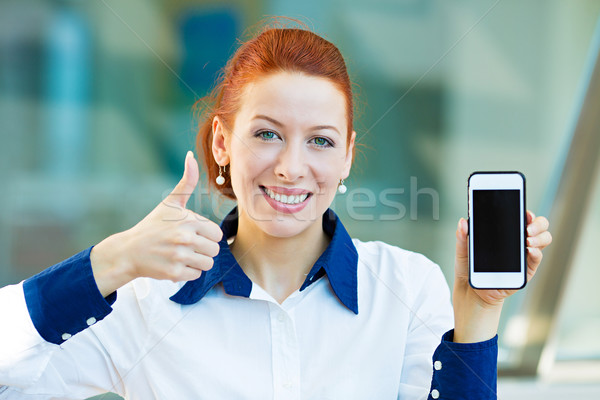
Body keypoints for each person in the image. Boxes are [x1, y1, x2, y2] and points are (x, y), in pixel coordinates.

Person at [0, 24, 551, 400]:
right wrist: (110, 261)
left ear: (348, 157)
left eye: (320, 141)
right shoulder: (148, 296)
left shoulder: (404, 287)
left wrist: (479, 309)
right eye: (267, 134)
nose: (291, 167)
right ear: (222, 142)